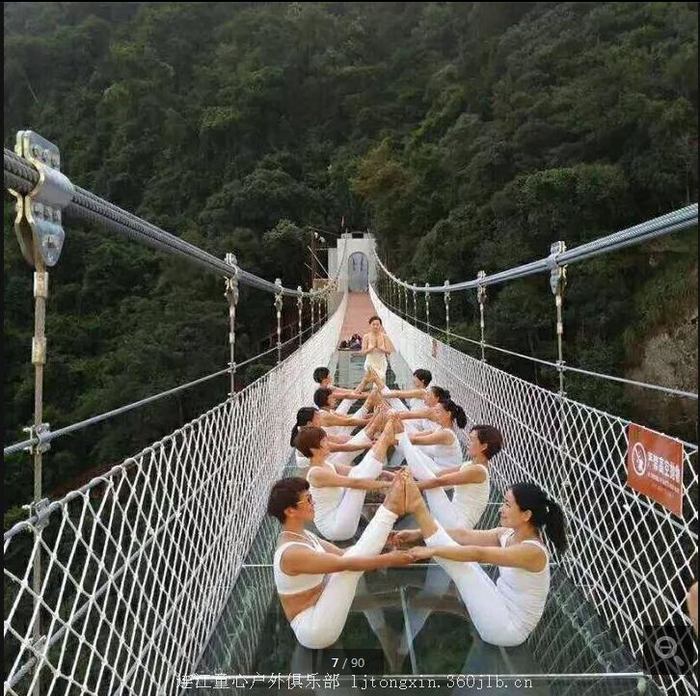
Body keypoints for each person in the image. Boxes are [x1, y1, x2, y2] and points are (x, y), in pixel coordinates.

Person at [394, 475, 567, 647]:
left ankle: (418, 508)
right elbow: (464, 535)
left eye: (507, 505)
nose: (501, 509)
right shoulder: (507, 535)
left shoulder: (533, 551)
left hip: (509, 630)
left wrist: (432, 550)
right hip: (499, 607)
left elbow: (479, 554)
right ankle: (419, 511)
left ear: (526, 515)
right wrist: (418, 533)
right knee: (465, 562)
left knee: (465, 565)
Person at [268, 475, 418, 649]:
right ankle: (389, 509)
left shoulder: (305, 536)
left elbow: (343, 554)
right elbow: (346, 564)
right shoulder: (292, 553)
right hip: (314, 629)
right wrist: (389, 560)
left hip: (321, 608)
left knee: (349, 563)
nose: (313, 502)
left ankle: (389, 509)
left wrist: (384, 542)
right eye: (308, 499)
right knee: (347, 570)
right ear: (290, 511)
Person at [298, 420, 397, 540]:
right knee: (357, 480)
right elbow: (355, 483)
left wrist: (386, 474)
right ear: (313, 449)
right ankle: (385, 441)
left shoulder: (327, 465)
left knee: (357, 473)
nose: (329, 444)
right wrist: (389, 484)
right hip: (334, 527)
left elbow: (356, 470)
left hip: (340, 514)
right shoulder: (316, 474)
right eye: (324, 441)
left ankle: (384, 441)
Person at [398, 417, 502, 530]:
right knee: (429, 476)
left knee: (432, 482)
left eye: (472, 440)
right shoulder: (469, 465)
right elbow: (438, 475)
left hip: (457, 524)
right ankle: (402, 444)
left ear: (484, 446)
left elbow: (440, 481)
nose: (468, 442)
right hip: (451, 515)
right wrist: (403, 477)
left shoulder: (479, 471)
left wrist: (407, 486)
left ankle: (401, 442)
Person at [398, 398, 467, 473]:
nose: (434, 415)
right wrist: (400, 433)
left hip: (443, 474)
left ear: (448, 414)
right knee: (409, 441)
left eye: (437, 412)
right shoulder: (440, 428)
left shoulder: (446, 434)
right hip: (437, 467)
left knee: (412, 448)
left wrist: (395, 438)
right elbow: (415, 435)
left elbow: (415, 440)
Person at [290, 407, 373, 468]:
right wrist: (368, 442)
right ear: (309, 423)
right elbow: (342, 447)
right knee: (346, 452)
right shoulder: (308, 437)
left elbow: (339, 439)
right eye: (318, 418)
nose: (321, 419)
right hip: (314, 470)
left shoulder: (311, 431)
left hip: (319, 463)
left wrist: (369, 437)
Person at [361, 315, 394, 381]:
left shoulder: (385, 337)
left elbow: (389, 352)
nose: (375, 326)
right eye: (373, 324)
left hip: (381, 363)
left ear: (380, 325)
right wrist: (371, 348)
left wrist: (381, 348)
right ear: (370, 325)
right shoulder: (366, 337)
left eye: (377, 324)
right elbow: (363, 352)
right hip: (370, 363)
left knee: (380, 382)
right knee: (373, 382)